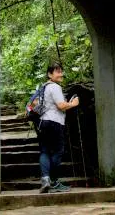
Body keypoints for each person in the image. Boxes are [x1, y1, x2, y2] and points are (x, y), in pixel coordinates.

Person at [38, 62, 79, 193]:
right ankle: (54, 182)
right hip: (54, 123)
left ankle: (45, 179)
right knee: (58, 152)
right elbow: (61, 106)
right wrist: (73, 104)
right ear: (50, 74)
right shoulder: (54, 87)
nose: (61, 74)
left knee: (45, 151)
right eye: (57, 71)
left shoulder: (43, 87)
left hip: (43, 122)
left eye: (61, 71)